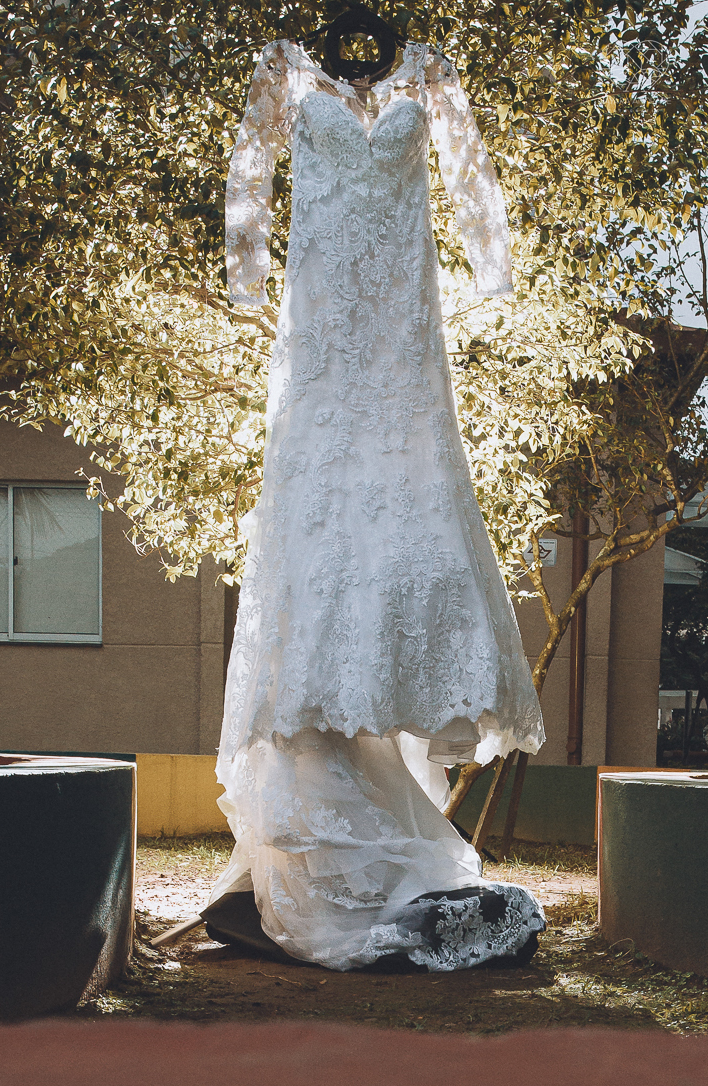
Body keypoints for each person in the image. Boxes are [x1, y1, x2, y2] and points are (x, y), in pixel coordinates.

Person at [203, 37, 546, 972]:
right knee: (320, 518)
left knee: (410, 514)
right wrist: (247, 276)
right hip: (319, 323)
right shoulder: (282, 69)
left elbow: (470, 175)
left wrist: (490, 269)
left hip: (400, 319)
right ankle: (328, 856)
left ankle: (387, 811)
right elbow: (249, 174)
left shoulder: (429, 72)